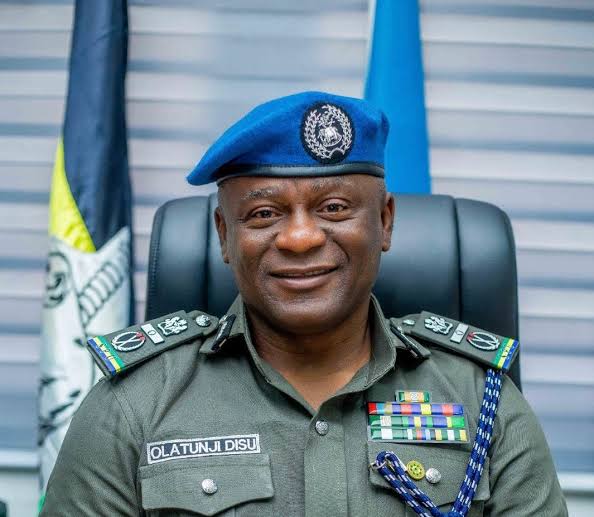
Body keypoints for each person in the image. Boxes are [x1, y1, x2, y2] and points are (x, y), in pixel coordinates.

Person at [41, 91, 567, 516]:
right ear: (224, 235)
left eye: (333, 208)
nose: (299, 238)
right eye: (264, 214)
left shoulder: (482, 399)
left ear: (384, 221)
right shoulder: (134, 406)